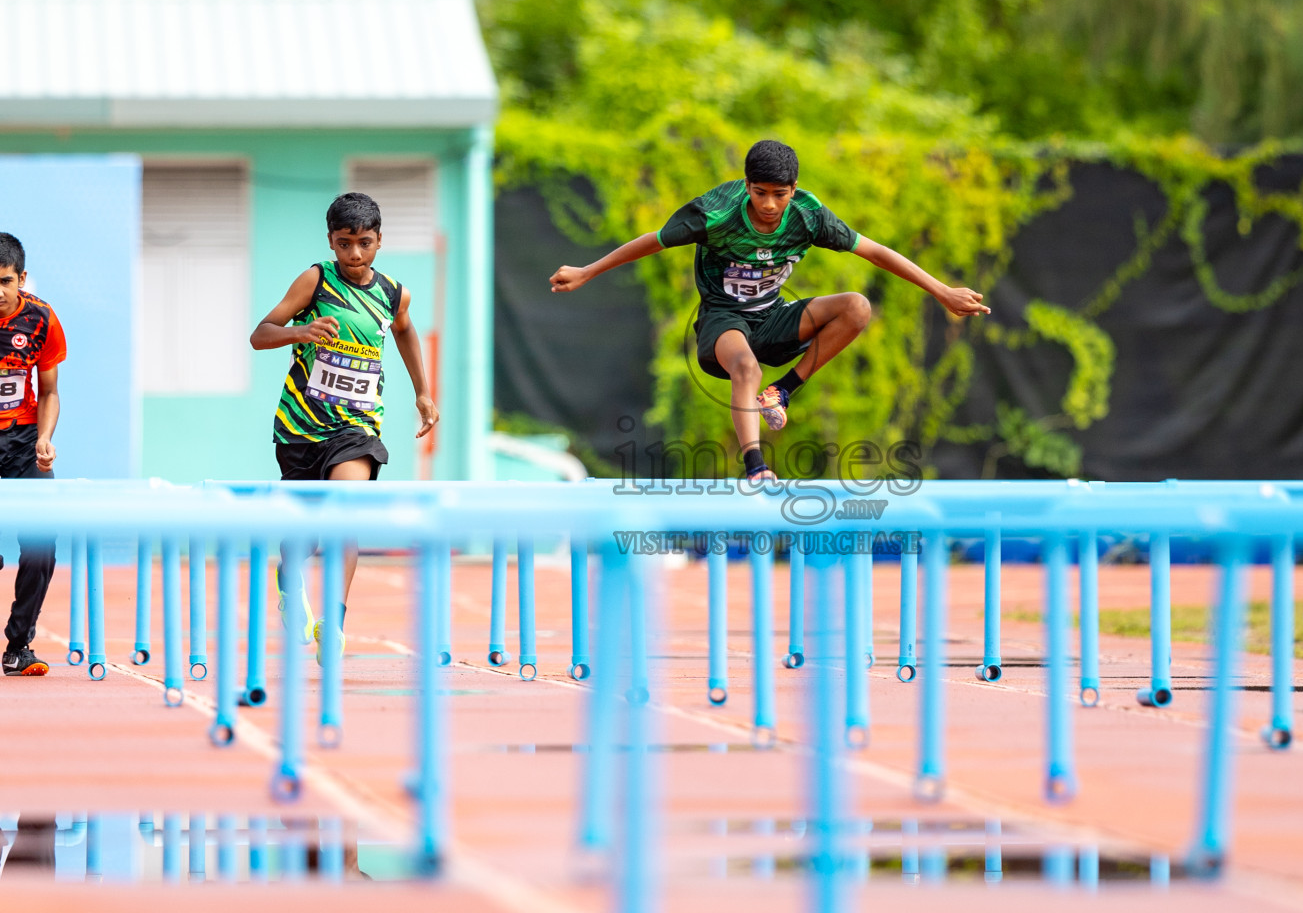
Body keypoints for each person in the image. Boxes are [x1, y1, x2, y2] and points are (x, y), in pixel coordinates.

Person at [549, 140, 990, 481]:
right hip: (723, 320)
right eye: (759, 193)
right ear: (746, 186)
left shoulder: (809, 215)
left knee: (856, 307)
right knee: (746, 368)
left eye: (779, 195)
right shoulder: (715, 213)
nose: (768, 206)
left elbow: (874, 252)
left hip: (773, 316)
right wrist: (588, 271)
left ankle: (784, 391)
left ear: (793, 190)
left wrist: (941, 291)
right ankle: (756, 467)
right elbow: (652, 240)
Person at [250, 193, 439, 657]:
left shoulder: (394, 293)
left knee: (345, 511)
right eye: (344, 243)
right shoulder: (315, 280)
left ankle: (332, 622)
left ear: (379, 241)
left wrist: (422, 391)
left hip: (356, 426)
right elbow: (260, 335)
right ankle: (289, 586)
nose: (354, 255)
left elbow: (404, 330)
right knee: (304, 534)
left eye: (364, 243)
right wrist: (301, 331)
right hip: (300, 425)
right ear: (331, 241)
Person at [0, 233, 66, 677]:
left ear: (21, 278)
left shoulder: (40, 319)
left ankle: (19, 645)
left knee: (43, 542)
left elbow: (49, 392)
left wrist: (44, 438)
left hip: (24, 442)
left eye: (3, 281)